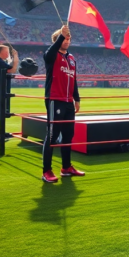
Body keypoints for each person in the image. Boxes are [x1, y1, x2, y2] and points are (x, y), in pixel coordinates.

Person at [41, 25, 84, 183]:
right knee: (52, 136)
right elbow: (48, 55)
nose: (67, 40)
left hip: (68, 102)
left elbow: (74, 80)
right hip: (55, 99)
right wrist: (61, 34)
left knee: (68, 135)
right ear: (57, 40)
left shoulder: (71, 58)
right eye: (64, 37)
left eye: (68, 38)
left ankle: (66, 167)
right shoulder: (51, 55)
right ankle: (46, 170)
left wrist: (76, 98)